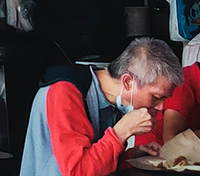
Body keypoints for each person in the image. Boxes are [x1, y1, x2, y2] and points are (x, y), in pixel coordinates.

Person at [20, 38, 179, 176]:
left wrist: (132, 155)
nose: (161, 107)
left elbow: (98, 164)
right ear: (127, 82)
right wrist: (121, 132)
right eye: (156, 97)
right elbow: (77, 172)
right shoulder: (65, 92)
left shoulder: (112, 102)